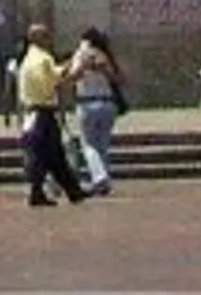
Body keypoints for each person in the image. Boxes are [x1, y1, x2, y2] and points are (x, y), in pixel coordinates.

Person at [10, 22, 82, 206]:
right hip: (41, 111)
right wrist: (71, 71)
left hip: (37, 112)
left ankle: (73, 191)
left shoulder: (30, 59)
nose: (49, 38)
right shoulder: (42, 59)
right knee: (41, 154)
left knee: (55, 155)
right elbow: (50, 82)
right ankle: (37, 191)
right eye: (45, 35)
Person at [64, 27, 124, 197]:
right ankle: (103, 182)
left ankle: (100, 177)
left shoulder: (81, 54)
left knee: (88, 145)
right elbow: (118, 79)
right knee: (102, 145)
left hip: (87, 103)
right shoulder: (105, 56)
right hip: (107, 103)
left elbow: (73, 76)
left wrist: (75, 72)